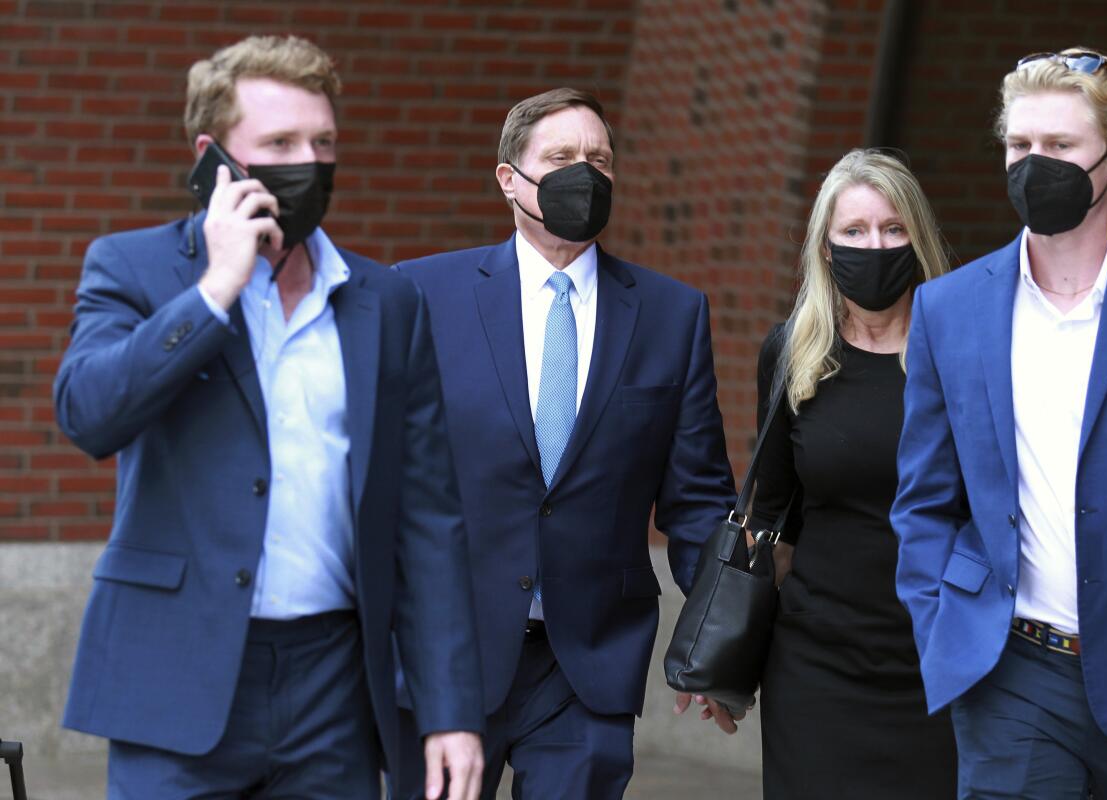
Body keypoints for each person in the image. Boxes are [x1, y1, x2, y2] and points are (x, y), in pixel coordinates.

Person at [53, 35, 484, 799]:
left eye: (323, 142)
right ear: (213, 157)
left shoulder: (386, 302)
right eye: (280, 142)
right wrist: (216, 290)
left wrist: (451, 711)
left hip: (334, 689)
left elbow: (428, 519)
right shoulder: (133, 268)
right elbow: (90, 414)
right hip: (177, 677)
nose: (309, 163)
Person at [391, 87, 737, 798]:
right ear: (508, 178)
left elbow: (699, 499)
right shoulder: (421, 295)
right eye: (561, 157)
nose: (585, 172)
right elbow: (379, 479)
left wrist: (719, 644)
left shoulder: (671, 315)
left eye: (599, 159)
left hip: (588, 663)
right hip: (446, 657)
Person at [891, 48, 1107, 797]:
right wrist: (947, 633)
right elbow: (924, 498)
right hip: (1012, 675)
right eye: (1020, 146)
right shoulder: (949, 308)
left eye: (1060, 147)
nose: (1035, 164)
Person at [747, 149, 956, 798]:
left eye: (894, 230)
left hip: (938, 662)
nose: (876, 246)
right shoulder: (794, 354)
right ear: (827, 248)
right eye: (856, 232)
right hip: (817, 665)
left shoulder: (958, 352)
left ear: (918, 241)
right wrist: (733, 661)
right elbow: (774, 517)